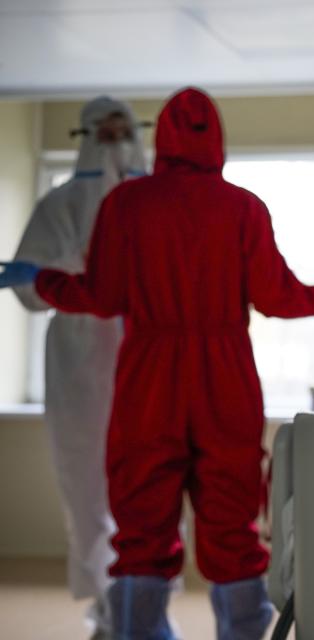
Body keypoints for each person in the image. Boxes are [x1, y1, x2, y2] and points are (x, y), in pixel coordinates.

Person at [1, 87, 314, 640]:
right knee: (231, 517)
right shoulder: (243, 207)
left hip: (148, 375)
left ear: (159, 139)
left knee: (141, 518)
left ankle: (138, 632)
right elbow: (276, 296)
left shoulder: (127, 204)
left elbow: (103, 295)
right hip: (223, 374)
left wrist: (41, 280)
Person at [8, 96, 147, 639]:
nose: (113, 139)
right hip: (79, 365)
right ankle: (108, 613)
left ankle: (145, 607)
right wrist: (65, 272)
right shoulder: (58, 204)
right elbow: (28, 289)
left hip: (145, 356)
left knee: (149, 486)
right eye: (102, 130)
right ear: (85, 135)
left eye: (121, 128)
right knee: (87, 487)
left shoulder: (156, 198)